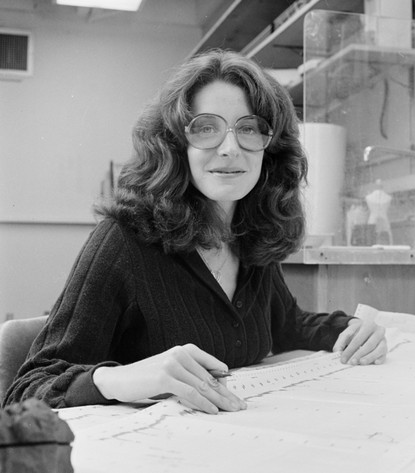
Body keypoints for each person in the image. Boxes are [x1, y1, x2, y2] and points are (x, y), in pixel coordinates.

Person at [3, 49, 387, 414]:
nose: (230, 148)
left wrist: (349, 329)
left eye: (250, 129)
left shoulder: (249, 234)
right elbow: (28, 388)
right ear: (175, 143)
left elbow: (285, 325)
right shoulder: (122, 241)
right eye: (206, 129)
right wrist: (118, 379)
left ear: (270, 150)